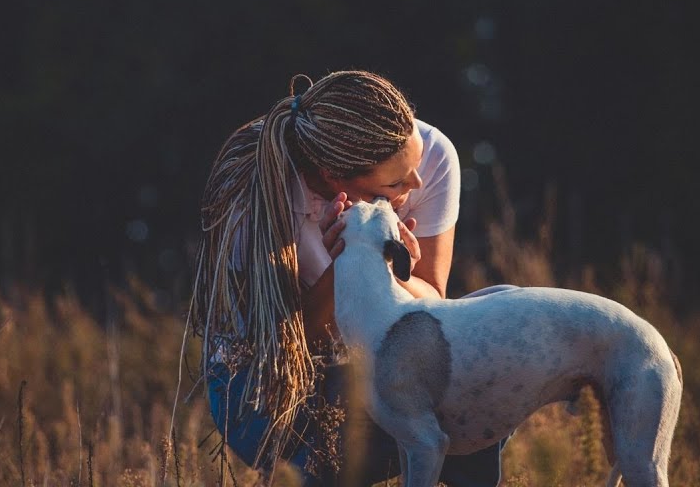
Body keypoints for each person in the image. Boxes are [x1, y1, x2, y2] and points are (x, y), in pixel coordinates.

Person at [190, 70, 507, 486]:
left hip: (365, 351)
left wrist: (388, 265)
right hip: (260, 383)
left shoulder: (428, 156)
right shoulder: (255, 196)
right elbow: (288, 346)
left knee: (490, 340)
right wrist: (348, 264)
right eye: (395, 182)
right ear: (335, 177)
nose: (416, 183)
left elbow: (432, 300)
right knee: (344, 407)